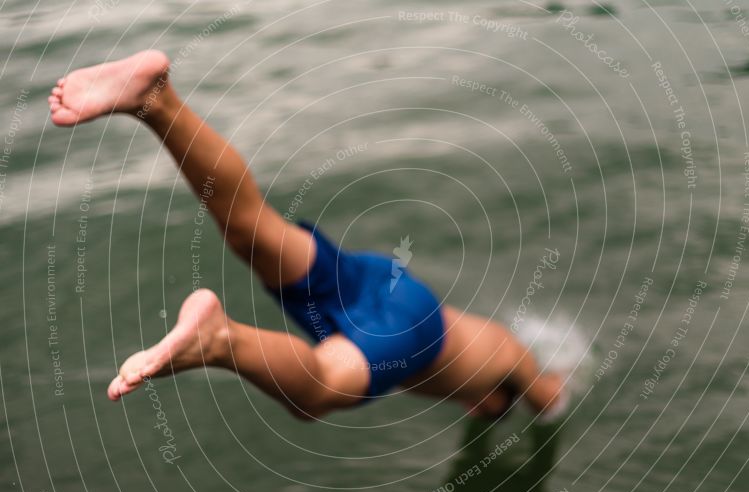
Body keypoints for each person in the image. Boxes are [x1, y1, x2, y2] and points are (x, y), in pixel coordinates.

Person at [48, 50, 564, 422]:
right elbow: (547, 397)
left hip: (379, 283)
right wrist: (550, 401)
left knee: (251, 228)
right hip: (408, 332)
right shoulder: (511, 363)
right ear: (492, 398)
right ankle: (222, 340)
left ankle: (155, 101)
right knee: (315, 392)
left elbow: (483, 392)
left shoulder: (495, 353)